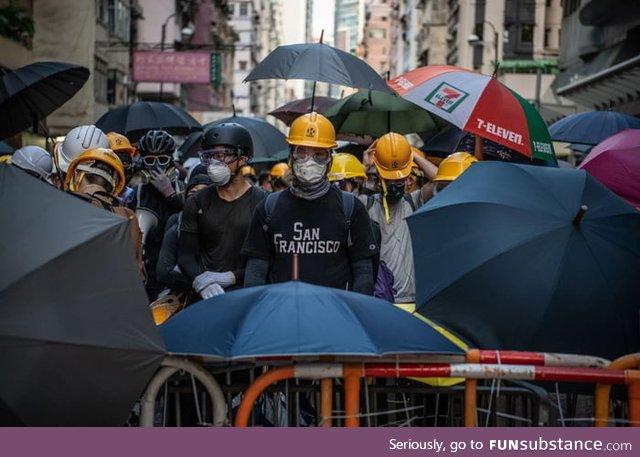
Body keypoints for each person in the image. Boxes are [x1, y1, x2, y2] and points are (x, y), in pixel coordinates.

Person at [242, 112, 378, 294]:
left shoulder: (351, 208)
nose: (309, 161)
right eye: (302, 152)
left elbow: (363, 272)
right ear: (291, 156)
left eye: (319, 154)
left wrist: (356, 312)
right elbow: (256, 271)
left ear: (330, 159)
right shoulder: (268, 208)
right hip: (282, 312)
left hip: (333, 313)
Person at [178, 122, 267, 299]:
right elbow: (185, 257)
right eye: (209, 156)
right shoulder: (196, 201)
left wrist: (232, 277)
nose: (214, 163)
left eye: (221, 156)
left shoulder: (262, 202)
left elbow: (264, 260)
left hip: (244, 296)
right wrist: (202, 282)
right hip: (204, 298)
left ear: (243, 159)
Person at [360, 132, 438, 304]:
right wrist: (364, 168)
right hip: (378, 298)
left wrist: (413, 157)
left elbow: (443, 182)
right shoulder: (366, 205)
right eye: (388, 181)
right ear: (379, 177)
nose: (394, 185)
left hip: (410, 299)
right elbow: (336, 200)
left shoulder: (414, 201)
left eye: (400, 180)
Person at [63, 147, 144, 277]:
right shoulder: (128, 216)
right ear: (114, 185)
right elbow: (137, 272)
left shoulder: (65, 207)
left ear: (77, 176)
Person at [134, 129, 185, 300]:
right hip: (146, 274)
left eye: (162, 160)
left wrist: (170, 194)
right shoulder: (137, 193)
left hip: (175, 274)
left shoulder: (183, 189)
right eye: (150, 161)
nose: (156, 166)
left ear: (171, 160)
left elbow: (190, 219)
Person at [156, 173, 212, 295]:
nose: (198, 196)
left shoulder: (228, 223)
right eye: (193, 192)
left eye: (204, 191)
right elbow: (163, 273)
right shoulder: (176, 229)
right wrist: (198, 285)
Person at [107, 131, 138, 205]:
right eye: (116, 162)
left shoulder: (134, 196)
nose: (122, 169)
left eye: (125, 163)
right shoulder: (94, 196)